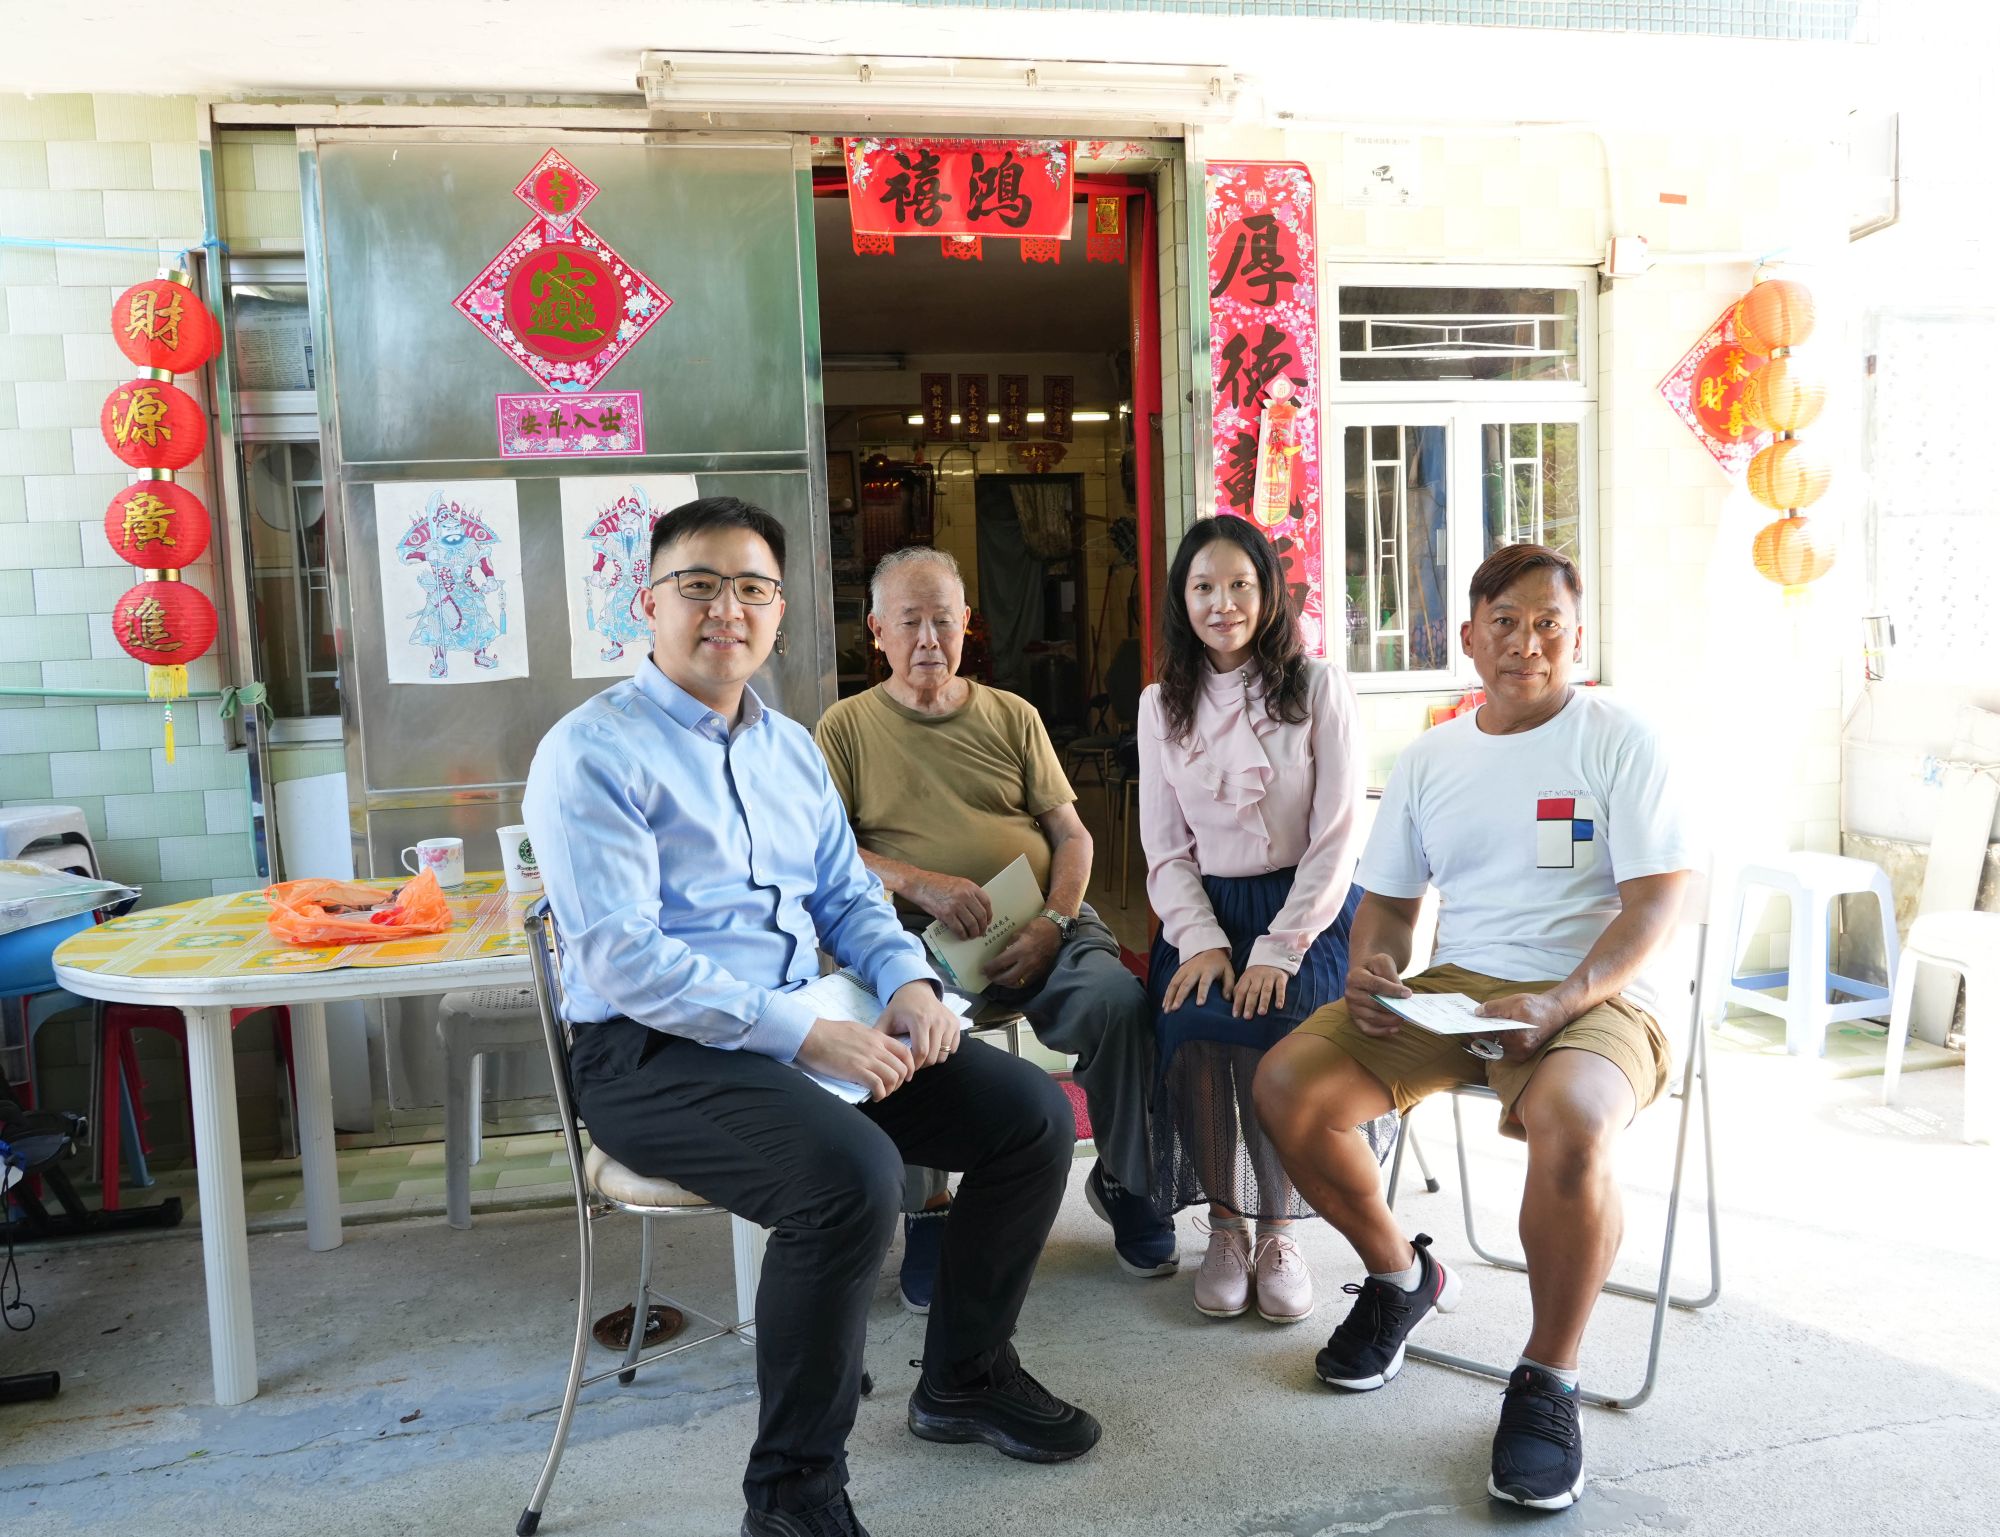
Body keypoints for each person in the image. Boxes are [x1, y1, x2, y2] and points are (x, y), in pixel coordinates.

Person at [524, 499, 1098, 1537]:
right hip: (649, 1055)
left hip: (805, 1026)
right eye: (697, 585)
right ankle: (790, 1499)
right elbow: (625, 956)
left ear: (779, 611)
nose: (724, 610)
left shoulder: (789, 749)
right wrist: (803, 1034)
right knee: (850, 1178)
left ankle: (962, 1375)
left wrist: (907, 986)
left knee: (1029, 1115)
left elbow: (844, 898)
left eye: (750, 588)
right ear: (645, 604)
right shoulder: (592, 754)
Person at [1253, 543, 1695, 1511]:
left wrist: (1559, 1001)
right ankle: (1398, 1272)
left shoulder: (1619, 738)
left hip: (1598, 993)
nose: (1526, 644)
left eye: (1548, 626)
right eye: (1504, 622)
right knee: (1286, 1083)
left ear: (1577, 638)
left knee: (1573, 1121)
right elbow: (1389, 907)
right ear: (1466, 635)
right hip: (1459, 987)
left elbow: (1655, 905)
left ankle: (1547, 1375)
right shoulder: (1429, 755)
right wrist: (1375, 966)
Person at [814, 547, 1175, 1305]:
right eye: (908, 622)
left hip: (1041, 921)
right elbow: (827, 850)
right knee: (897, 1027)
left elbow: (1072, 836)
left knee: (1117, 1003)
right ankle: (930, 1209)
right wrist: (923, 883)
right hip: (915, 938)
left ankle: (1124, 1178)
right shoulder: (844, 727)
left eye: (942, 620)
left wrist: (1055, 917)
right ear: (875, 629)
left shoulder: (1012, 714)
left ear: (967, 623)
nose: (927, 639)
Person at [1136, 516, 1389, 1327]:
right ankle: (1224, 1223)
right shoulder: (1159, 703)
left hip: (1304, 912)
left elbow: (1338, 834)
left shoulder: (1317, 686)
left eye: (1240, 584)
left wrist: (1278, 947)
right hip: (1203, 910)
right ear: (1183, 599)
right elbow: (1163, 845)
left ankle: (1279, 1228)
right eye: (1204, 586)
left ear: (1268, 592)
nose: (1223, 603)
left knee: (1275, 1034)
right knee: (1197, 1028)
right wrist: (1203, 940)